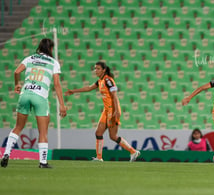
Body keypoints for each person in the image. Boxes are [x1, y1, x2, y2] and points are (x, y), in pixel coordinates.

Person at [1, 38, 67, 168]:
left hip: (25, 95)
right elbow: (57, 85)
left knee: (18, 127)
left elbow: (16, 71)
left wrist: (17, 85)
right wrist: (62, 105)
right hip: (40, 97)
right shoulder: (54, 63)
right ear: (51, 49)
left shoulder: (30, 58)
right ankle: (43, 162)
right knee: (43, 132)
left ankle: (6, 153)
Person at [65, 61, 140, 162]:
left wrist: (117, 110)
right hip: (106, 110)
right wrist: (73, 91)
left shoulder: (108, 80)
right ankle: (99, 158)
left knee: (113, 136)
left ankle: (133, 151)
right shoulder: (100, 81)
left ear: (104, 70)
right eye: (95, 68)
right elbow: (89, 88)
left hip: (113, 109)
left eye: (98, 69)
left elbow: (114, 95)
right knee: (98, 132)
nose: (95, 70)